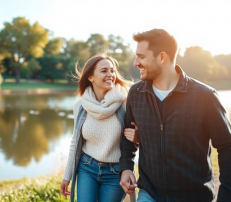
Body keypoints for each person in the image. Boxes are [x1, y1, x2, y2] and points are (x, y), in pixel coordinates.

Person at [119, 29, 231, 202]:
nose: (136, 63)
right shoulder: (136, 93)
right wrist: (126, 167)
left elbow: (226, 147)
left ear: (161, 57)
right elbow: (128, 134)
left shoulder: (205, 96)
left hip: (194, 196)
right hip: (150, 194)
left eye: (141, 57)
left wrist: (226, 196)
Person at [60, 52, 138, 202]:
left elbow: (135, 140)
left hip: (115, 172)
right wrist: (67, 176)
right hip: (86, 167)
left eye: (112, 70)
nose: (110, 74)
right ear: (91, 77)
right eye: (104, 71)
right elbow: (74, 142)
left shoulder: (125, 104)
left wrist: (138, 138)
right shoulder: (81, 106)